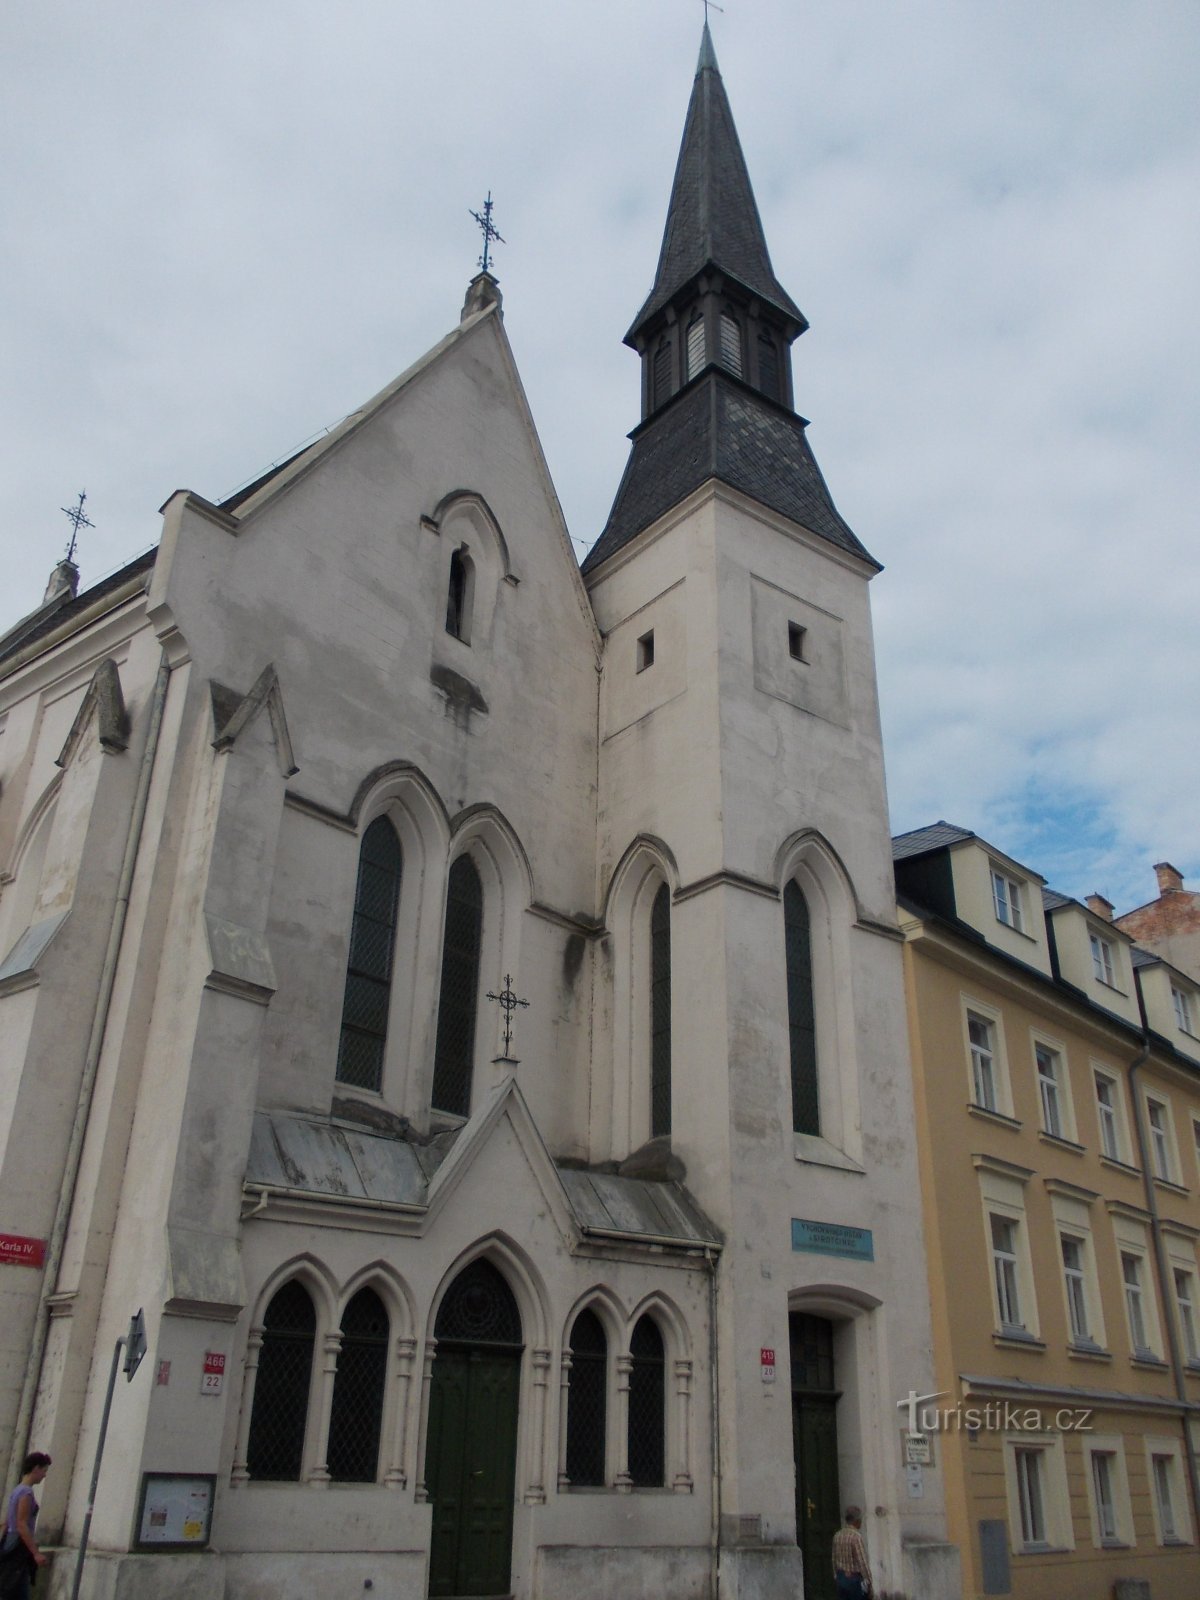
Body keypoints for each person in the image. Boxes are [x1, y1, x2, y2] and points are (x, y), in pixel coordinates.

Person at [1, 1453, 51, 1599]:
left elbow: (8, 1521)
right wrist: (35, 1553)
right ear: (36, 1468)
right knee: (14, 1587)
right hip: (19, 1544)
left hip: (11, 1541)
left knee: (16, 1587)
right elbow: (21, 1524)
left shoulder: (17, 1490)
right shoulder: (26, 1493)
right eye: (44, 1470)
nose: (44, 1475)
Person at [831, 1503, 872, 1599]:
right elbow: (862, 1562)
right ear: (857, 1521)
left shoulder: (837, 1535)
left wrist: (836, 1576)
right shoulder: (856, 1537)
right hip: (854, 1579)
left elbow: (834, 1559)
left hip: (841, 1577)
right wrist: (869, 1580)